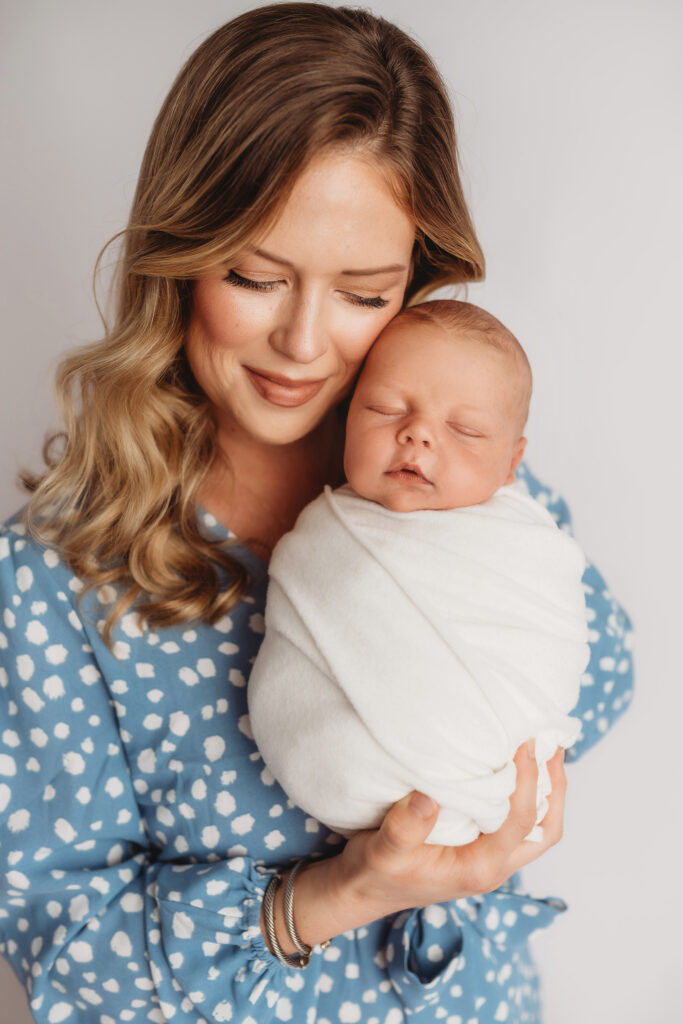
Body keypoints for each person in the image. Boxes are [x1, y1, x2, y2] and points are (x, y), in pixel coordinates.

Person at [0, 5, 633, 1022]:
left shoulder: (465, 486)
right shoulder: (55, 582)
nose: (301, 341)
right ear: (178, 253)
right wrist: (342, 893)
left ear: (415, 284)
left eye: (362, 292)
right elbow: (71, 955)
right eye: (254, 276)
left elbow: (596, 681)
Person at [249, 299, 590, 847]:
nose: (418, 435)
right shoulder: (328, 529)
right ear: (346, 416)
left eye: (464, 429)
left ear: (511, 464)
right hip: (334, 771)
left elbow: (550, 646)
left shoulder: (527, 540)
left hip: (486, 787)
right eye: (385, 409)